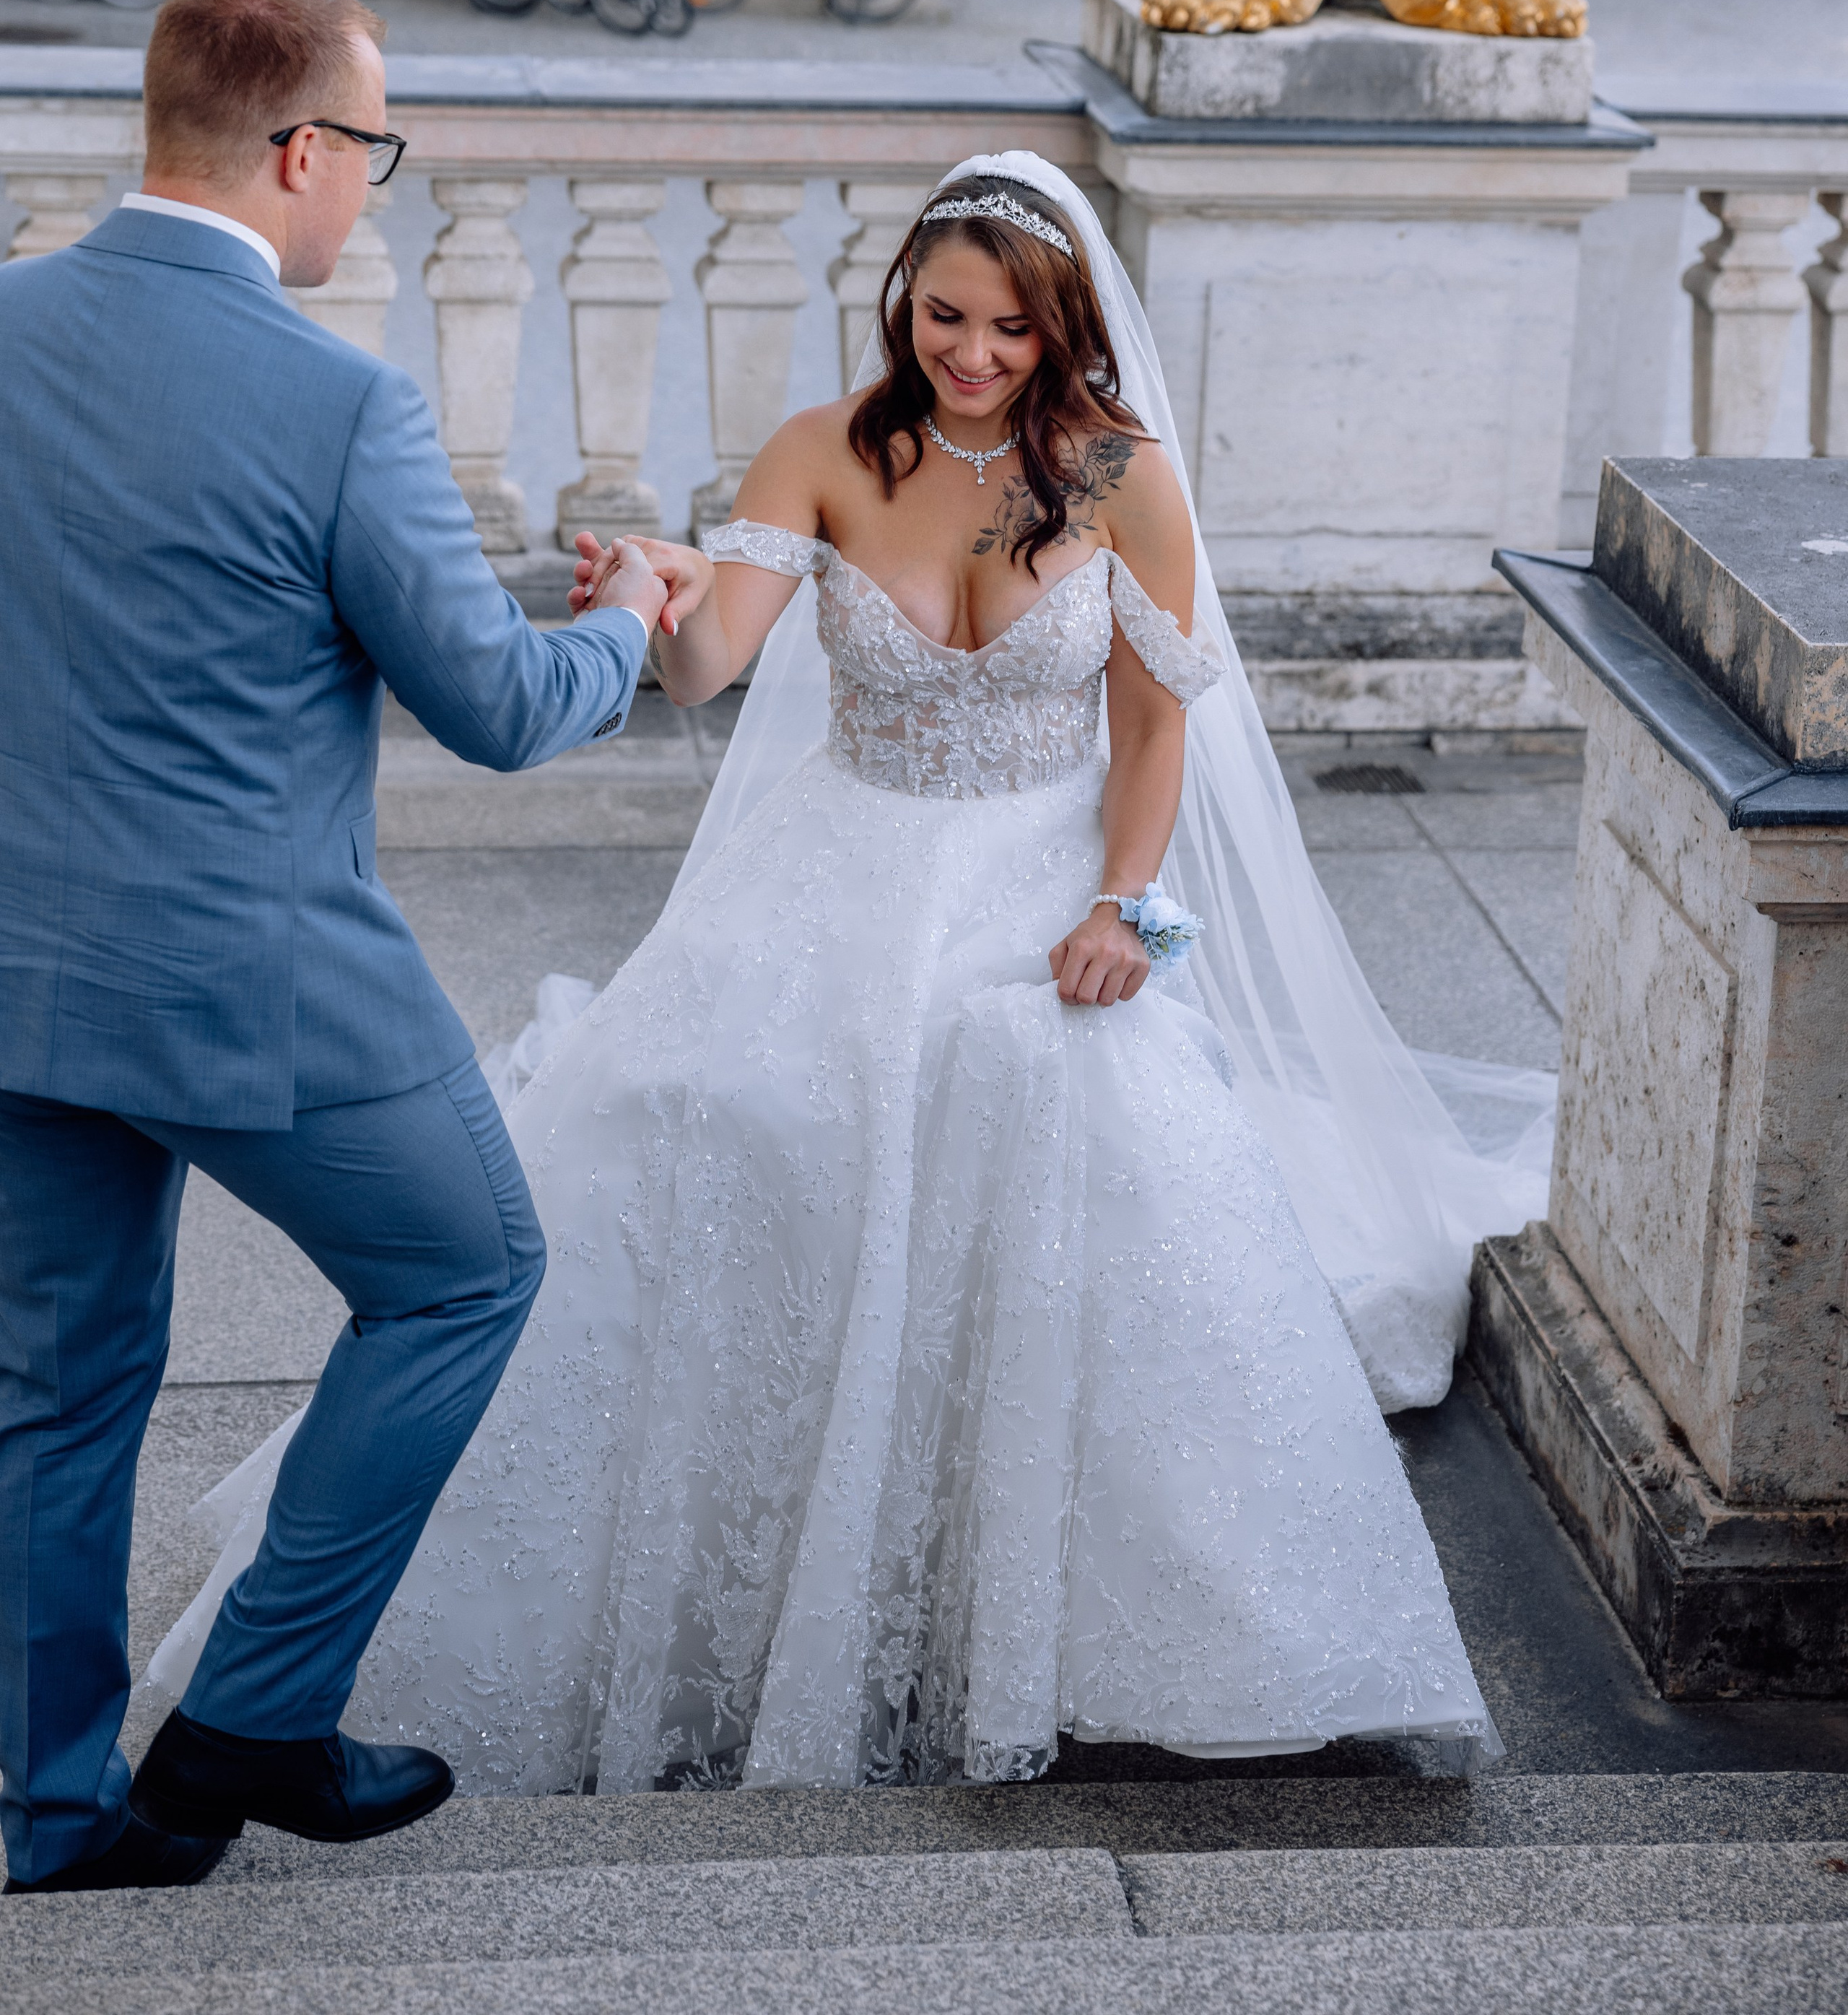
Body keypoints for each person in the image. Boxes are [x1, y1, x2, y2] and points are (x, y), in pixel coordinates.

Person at [150, 154, 1540, 1793]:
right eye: (942, 314)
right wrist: (640, 601)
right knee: (705, 1108)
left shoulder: (1120, 475)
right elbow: (706, 667)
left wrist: (1126, 921)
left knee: (1073, 1103)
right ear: (903, 299)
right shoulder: (823, 449)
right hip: (837, 865)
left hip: (1050, 874)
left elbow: (1160, 736)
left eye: (1006, 327)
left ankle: (1088, 1616)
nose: (967, 352)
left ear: (1062, 324)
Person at [0, 0, 668, 1892]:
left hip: (24, 966)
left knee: (52, 1389)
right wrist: (627, 621)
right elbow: (502, 710)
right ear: (298, 149)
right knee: (466, 1270)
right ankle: (253, 1714)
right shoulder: (344, 402)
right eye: (371, 149)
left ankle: (46, 1820)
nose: (370, 186)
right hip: (255, 982)